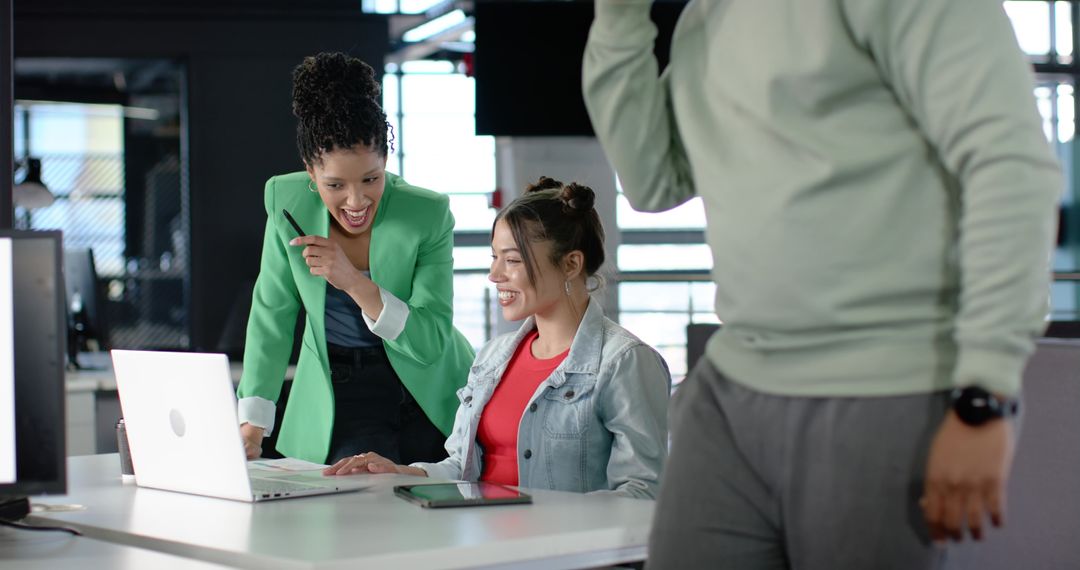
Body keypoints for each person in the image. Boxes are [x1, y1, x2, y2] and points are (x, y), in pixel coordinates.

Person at [583, 0, 1062, 567]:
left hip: (882, 386)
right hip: (735, 383)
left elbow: (1010, 166)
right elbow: (650, 177)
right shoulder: (706, 16)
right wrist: (618, 17)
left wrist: (987, 392)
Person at [323, 177, 671, 499]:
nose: (494, 275)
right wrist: (400, 472)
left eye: (512, 260)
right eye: (494, 258)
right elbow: (461, 469)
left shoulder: (625, 361)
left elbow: (641, 494)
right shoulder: (493, 356)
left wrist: (548, 523)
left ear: (571, 264)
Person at [236, 52, 475, 466]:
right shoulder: (285, 201)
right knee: (357, 512)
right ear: (311, 173)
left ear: (386, 162)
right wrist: (253, 423)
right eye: (335, 184)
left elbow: (432, 339)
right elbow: (271, 314)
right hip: (343, 391)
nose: (356, 200)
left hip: (432, 389)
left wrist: (353, 282)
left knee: (442, 513)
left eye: (371, 179)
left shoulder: (426, 213)